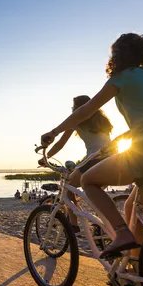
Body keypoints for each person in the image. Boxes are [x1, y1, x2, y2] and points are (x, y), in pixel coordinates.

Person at [41, 33, 143, 259]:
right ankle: (135, 266)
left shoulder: (123, 77)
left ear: (119, 56)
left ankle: (121, 233)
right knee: (133, 208)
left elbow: (86, 110)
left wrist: (53, 132)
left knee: (87, 181)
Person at [39, 95, 113, 234]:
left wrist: (46, 157)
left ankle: (74, 225)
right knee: (95, 194)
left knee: (68, 187)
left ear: (77, 108)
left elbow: (60, 143)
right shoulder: (103, 120)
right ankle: (103, 225)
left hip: (94, 159)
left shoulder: (77, 119)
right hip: (112, 158)